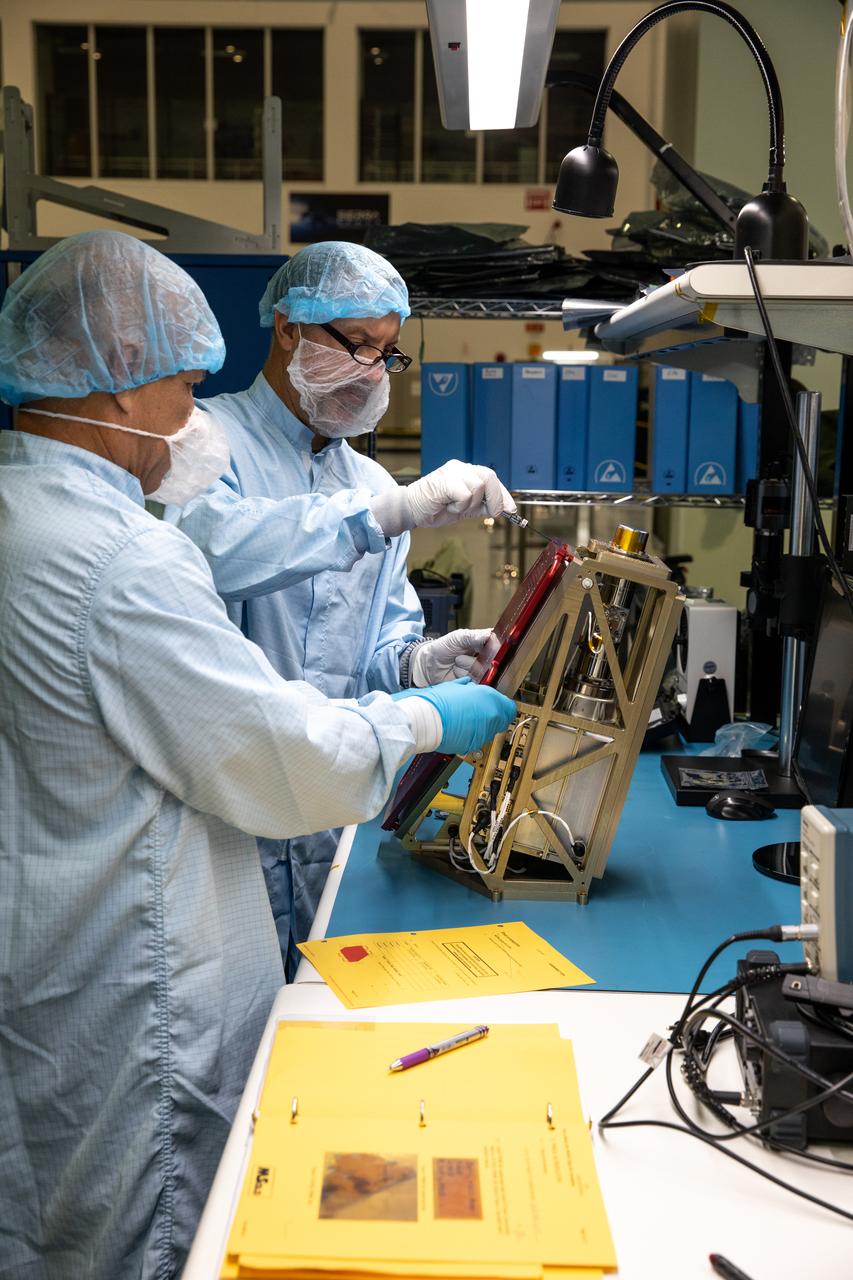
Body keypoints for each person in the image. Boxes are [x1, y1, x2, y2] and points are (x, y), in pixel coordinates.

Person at [0, 229, 516, 1280]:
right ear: (116, 384)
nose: (190, 406)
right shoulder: (130, 539)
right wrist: (421, 720)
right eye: (182, 381)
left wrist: (416, 665)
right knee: (159, 1213)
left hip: (174, 872)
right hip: (179, 895)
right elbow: (264, 730)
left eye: (388, 352)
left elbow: (354, 650)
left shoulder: (28, 509)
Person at [173, 241, 514, 974]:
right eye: (357, 344)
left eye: (387, 353)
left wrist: (420, 661)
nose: (370, 371)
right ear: (290, 329)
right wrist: (379, 514)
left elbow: (372, 651)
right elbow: (213, 550)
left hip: (332, 813)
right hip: (228, 813)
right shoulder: (207, 441)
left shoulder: (366, 479)